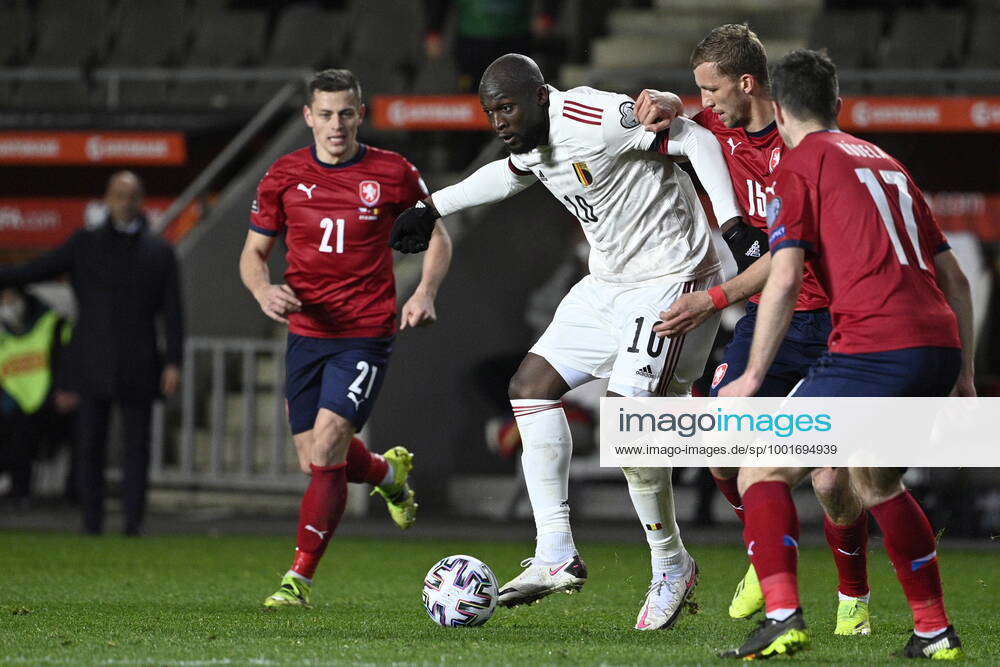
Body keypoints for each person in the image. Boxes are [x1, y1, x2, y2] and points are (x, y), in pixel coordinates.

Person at [391, 53, 745, 629]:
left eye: (506, 107)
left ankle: (671, 564)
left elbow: (693, 140)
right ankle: (556, 553)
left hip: (672, 279)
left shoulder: (592, 114)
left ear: (539, 95)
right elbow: (506, 176)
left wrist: (731, 225)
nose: (499, 121)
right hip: (606, 285)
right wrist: (431, 208)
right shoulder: (529, 143)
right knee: (529, 387)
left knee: (631, 425)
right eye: (489, 112)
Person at [717, 49, 973, 660]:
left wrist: (753, 374)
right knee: (874, 478)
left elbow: (783, 277)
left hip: (875, 345)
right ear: (836, 105)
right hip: (935, 346)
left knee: (762, 467)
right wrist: (962, 373)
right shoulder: (886, 161)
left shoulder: (801, 165)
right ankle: (934, 631)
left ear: (776, 108)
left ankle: (782, 617)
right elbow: (956, 278)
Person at [634, 24, 872, 635]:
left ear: (747, 82)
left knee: (831, 479)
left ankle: (854, 599)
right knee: (720, 441)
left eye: (711, 90)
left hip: (833, 316)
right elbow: (674, 118)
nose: (705, 103)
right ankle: (764, 558)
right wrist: (660, 101)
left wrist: (710, 299)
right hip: (774, 317)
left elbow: (785, 261)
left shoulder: (808, 146)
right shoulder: (716, 128)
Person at [239, 69, 452, 608]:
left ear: (361, 114)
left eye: (346, 113)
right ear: (308, 117)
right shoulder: (283, 176)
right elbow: (253, 254)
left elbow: (438, 237)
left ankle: (299, 578)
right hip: (307, 333)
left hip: (365, 331)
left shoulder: (393, 172)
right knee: (313, 460)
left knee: (331, 440)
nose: (336, 124)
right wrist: (263, 291)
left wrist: (424, 292)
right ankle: (386, 472)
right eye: (326, 114)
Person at [0, 171, 184, 536]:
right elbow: (37, 269)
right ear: (107, 200)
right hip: (91, 360)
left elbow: (174, 312)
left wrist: (174, 361)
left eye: (131, 196)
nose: (125, 203)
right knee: (89, 448)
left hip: (140, 361)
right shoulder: (85, 243)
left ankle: (133, 524)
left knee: (136, 449)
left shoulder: (159, 252)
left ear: (141, 200)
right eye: (118, 195)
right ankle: (92, 524)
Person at [0, 287, 75, 505]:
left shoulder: (52, 324)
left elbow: (70, 358)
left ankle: (74, 494)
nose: (6, 305)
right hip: (14, 405)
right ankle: (17, 490)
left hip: (53, 401)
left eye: (9, 298)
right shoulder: (4, 335)